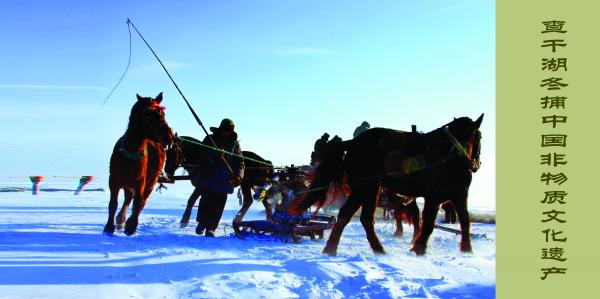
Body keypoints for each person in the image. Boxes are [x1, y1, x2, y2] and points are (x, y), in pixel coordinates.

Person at [194, 118, 244, 237]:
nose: (227, 133)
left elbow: (240, 161)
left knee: (218, 205)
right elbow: (200, 156)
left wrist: (238, 175)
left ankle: (211, 228)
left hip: (224, 180)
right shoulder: (209, 139)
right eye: (225, 130)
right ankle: (202, 223)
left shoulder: (234, 143)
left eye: (229, 131)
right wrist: (212, 155)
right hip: (208, 176)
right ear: (221, 129)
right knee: (205, 201)